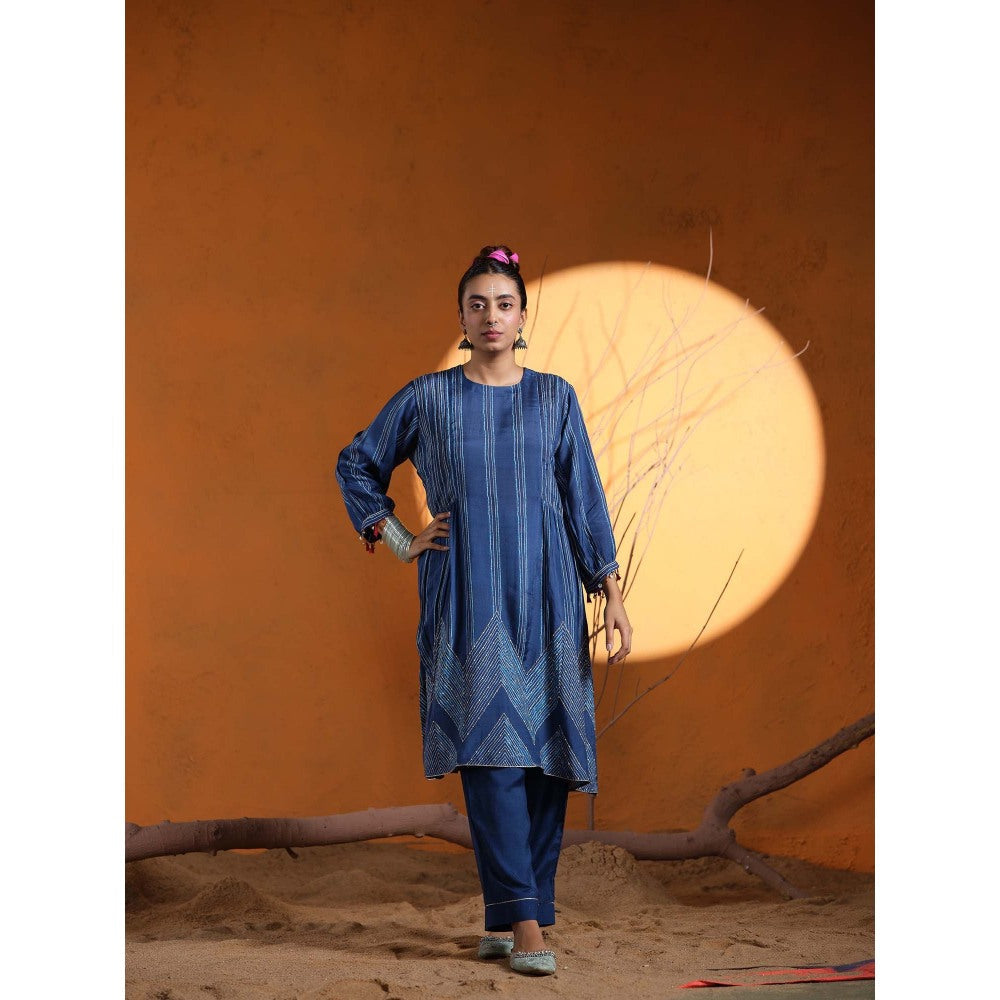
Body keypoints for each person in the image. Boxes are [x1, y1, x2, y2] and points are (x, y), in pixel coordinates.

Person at [335, 245, 632, 977]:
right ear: (461, 318)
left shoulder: (555, 398)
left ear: (522, 316)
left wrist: (612, 593)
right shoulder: (428, 397)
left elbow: (583, 496)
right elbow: (357, 463)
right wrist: (399, 537)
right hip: (466, 595)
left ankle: (509, 914)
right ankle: (528, 923)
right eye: (477, 304)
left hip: (550, 594)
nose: (491, 315)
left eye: (503, 303)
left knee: (547, 759)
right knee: (491, 748)